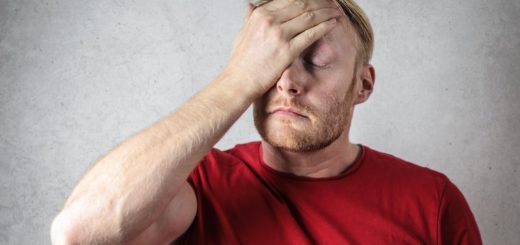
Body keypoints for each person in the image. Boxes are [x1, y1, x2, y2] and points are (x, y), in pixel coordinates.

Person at [51, 0, 482, 244]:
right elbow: (77, 233)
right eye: (271, 63)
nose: (288, 82)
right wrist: (236, 79)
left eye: (315, 61)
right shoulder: (197, 184)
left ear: (362, 85)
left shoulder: (432, 200)